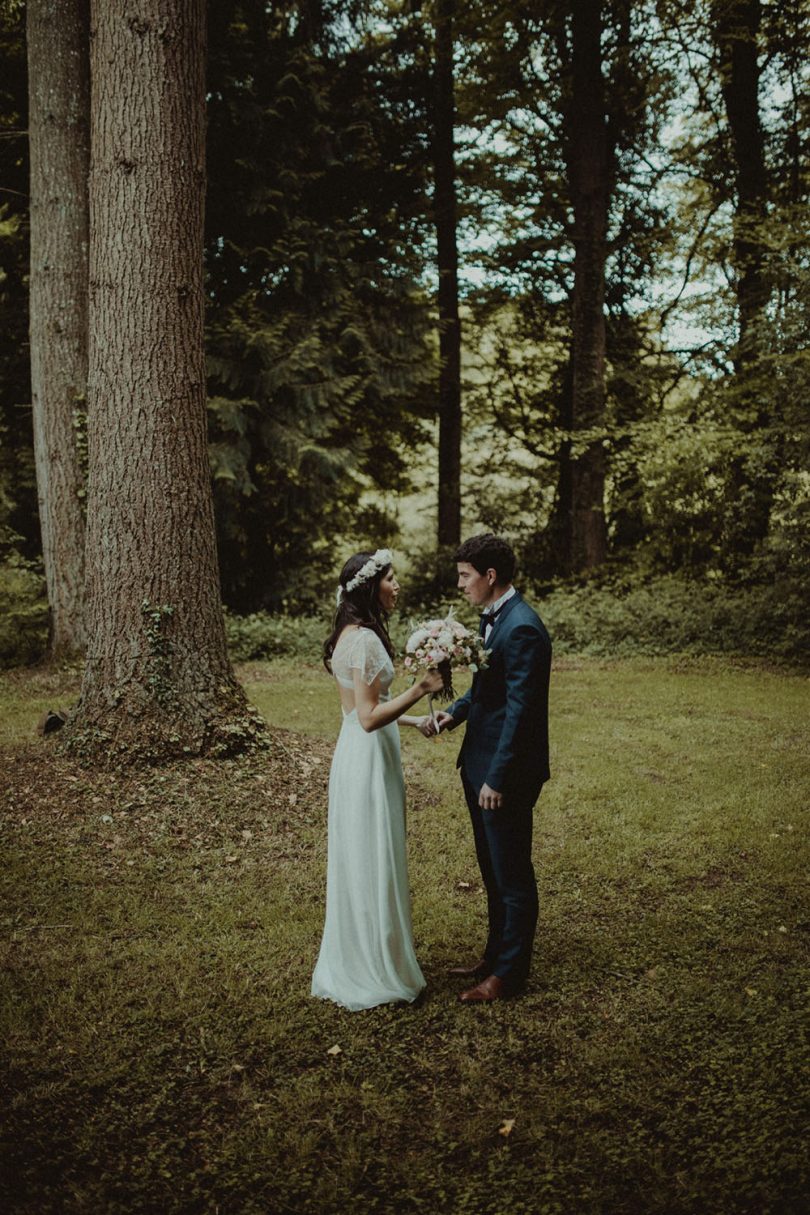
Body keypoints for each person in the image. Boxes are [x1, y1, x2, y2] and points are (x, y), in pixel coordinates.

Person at [311, 548, 443, 1011]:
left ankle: (370, 951)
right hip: (367, 759)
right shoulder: (363, 641)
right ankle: (374, 966)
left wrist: (416, 722)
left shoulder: (351, 635)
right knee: (373, 854)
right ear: (370, 586)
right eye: (391, 578)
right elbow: (367, 717)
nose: (397, 585)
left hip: (359, 753)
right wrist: (420, 689)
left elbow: (354, 715)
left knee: (367, 854)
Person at [427, 534, 551, 1003]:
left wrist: (497, 777)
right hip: (478, 764)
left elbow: (521, 712)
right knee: (492, 870)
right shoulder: (492, 620)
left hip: (504, 775)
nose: (460, 584)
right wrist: (452, 714)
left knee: (513, 874)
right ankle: (495, 953)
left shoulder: (521, 628)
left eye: (465, 576)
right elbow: (487, 692)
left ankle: (509, 976)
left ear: (490, 577)